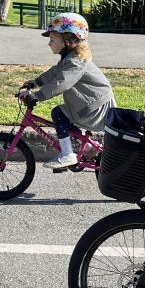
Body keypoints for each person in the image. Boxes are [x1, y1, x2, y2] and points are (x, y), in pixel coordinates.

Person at [20, 12, 116, 170]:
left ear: (68, 40)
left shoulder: (75, 62)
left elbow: (61, 82)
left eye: (52, 40)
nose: (49, 44)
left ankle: (67, 154)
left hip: (96, 107)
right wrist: (36, 82)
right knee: (63, 116)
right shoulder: (70, 58)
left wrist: (37, 96)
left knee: (59, 114)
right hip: (90, 104)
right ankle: (88, 148)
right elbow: (55, 72)